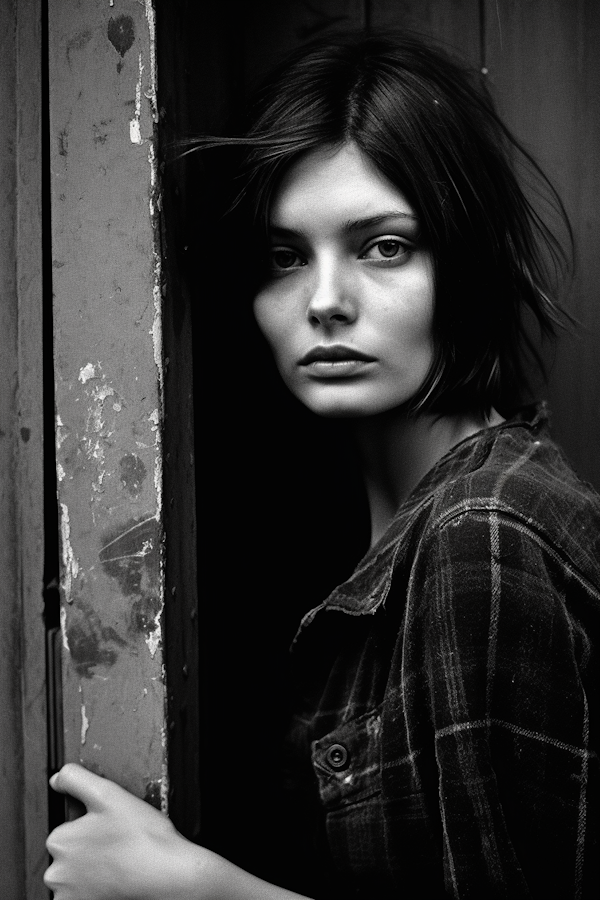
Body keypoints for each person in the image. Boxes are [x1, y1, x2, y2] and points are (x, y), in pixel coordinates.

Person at [45, 33, 599, 900]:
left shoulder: (482, 537)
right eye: (286, 256)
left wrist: (194, 889)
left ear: (467, 261)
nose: (326, 300)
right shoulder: (404, 528)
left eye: (384, 246)